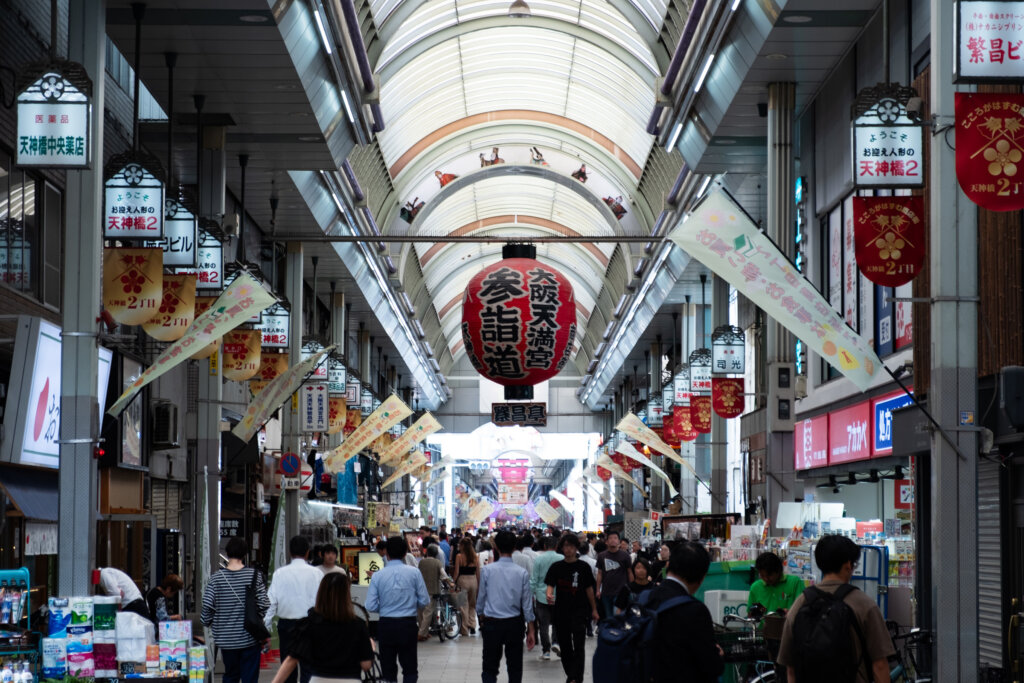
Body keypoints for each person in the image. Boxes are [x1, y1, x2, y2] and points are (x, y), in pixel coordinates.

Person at [777, 535, 895, 683]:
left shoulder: (800, 603)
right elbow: (880, 665)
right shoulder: (864, 604)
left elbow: (791, 669)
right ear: (848, 565)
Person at [269, 572, 373, 683]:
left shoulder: (310, 624)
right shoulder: (358, 625)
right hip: (351, 679)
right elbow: (366, 665)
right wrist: (371, 647)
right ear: (347, 595)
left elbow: (292, 659)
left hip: (319, 679)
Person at [647, 541, 723, 682]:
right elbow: (712, 666)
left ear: (669, 565)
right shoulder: (695, 610)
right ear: (701, 577)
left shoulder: (643, 599)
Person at [201, 537, 270, 683]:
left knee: (230, 676)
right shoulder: (254, 576)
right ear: (245, 554)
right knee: (249, 678)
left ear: (227, 553)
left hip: (226, 640)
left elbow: (207, 606)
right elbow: (264, 604)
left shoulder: (216, 578)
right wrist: (255, 617)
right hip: (250, 638)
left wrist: (207, 622)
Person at [366, 536, 430, 683]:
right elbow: (424, 600)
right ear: (404, 554)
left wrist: (384, 608)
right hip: (408, 624)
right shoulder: (414, 573)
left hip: (386, 625)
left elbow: (370, 605)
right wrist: (411, 605)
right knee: (410, 667)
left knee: (388, 668)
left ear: (386, 553)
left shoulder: (378, 576)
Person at [477, 531, 536, 683]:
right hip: (514, 624)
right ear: (514, 546)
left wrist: (481, 617)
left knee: (489, 667)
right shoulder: (521, 573)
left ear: (495, 547)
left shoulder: (488, 571)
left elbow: (481, 598)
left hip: (492, 623)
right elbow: (527, 603)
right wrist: (531, 628)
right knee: (515, 666)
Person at [265, 536, 323, 683]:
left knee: (288, 667)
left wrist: (265, 626)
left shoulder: (279, 573)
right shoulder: (317, 574)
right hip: (311, 625)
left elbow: (270, 603)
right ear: (307, 552)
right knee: (308, 668)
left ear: (290, 552)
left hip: (287, 626)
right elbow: (323, 602)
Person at [544, 534, 598, 683]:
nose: (568, 549)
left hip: (579, 611)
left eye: (571, 546)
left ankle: (576, 678)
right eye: (565, 546)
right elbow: (550, 585)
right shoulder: (556, 567)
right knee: (565, 646)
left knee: (579, 646)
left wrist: (594, 609)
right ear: (562, 548)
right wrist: (549, 595)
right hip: (561, 612)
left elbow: (589, 590)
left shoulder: (584, 567)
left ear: (576, 548)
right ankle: (572, 675)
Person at [530, 535, 561, 660]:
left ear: (544, 546)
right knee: (557, 622)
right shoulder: (562, 558)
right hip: (558, 596)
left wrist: (531, 594)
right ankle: (556, 642)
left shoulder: (538, 559)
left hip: (542, 596)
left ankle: (546, 651)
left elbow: (534, 579)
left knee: (543, 624)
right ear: (556, 546)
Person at [596, 531, 633, 618]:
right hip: (606, 591)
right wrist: (598, 589)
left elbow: (629, 572)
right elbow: (599, 573)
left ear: (619, 542)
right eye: (610, 538)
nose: (613, 540)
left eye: (615, 538)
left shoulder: (625, 556)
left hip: (621, 591)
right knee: (609, 617)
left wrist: (632, 588)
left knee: (617, 616)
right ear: (607, 541)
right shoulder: (601, 556)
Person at [417, 544, 448, 641]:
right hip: (432, 591)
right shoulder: (437, 562)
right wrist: (448, 582)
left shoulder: (421, 562)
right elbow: (444, 575)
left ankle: (424, 632)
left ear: (427, 552)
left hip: (420, 590)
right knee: (428, 613)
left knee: (420, 612)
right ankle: (421, 634)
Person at [454, 537, 480, 636]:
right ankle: (472, 625)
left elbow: (456, 572)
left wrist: (453, 582)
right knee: (472, 604)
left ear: (463, 546)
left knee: (463, 605)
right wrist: (478, 584)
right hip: (473, 580)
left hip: (462, 581)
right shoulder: (475, 557)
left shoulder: (459, 556)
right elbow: (478, 572)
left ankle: (464, 629)